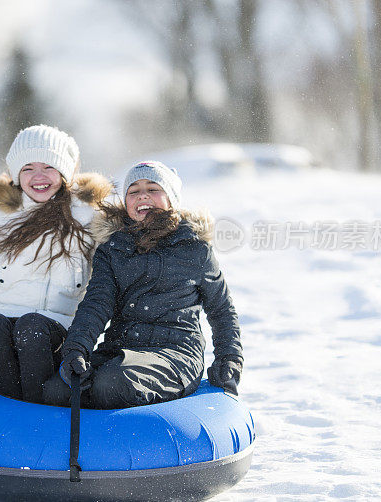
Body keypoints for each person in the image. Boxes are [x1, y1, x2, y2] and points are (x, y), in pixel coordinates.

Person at [0, 125, 112, 403]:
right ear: (16, 174)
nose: (38, 177)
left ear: (64, 172)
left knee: (33, 328)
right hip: (1, 330)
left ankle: (41, 419)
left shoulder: (89, 217)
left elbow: (105, 289)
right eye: (28, 168)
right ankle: (9, 421)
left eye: (48, 166)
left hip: (58, 332)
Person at [43, 160, 243, 409]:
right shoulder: (113, 248)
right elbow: (96, 303)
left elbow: (222, 310)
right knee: (57, 389)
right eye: (134, 191)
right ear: (126, 203)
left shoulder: (194, 248)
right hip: (119, 349)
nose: (142, 196)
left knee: (111, 384)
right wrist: (76, 349)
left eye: (153, 189)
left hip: (176, 354)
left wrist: (230, 359)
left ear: (171, 198)